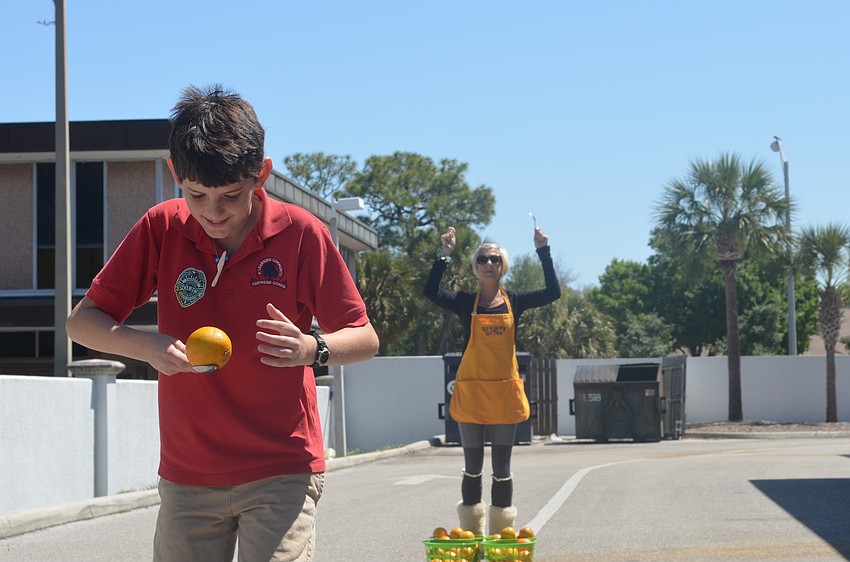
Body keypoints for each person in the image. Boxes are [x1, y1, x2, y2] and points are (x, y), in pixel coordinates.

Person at [66, 84, 379, 562]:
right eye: (197, 195)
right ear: (176, 174)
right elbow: (81, 324)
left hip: (282, 468)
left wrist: (310, 349)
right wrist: (146, 347)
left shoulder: (301, 233)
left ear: (262, 175)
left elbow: (365, 338)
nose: (213, 212)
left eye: (231, 195)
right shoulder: (161, 227)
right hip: (189, 475)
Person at [423, 226, 560, 537]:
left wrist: (543, 250)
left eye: (495, 259)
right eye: (483, 258)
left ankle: (501, 536)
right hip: (472, 392)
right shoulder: (464, 302)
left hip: (503, 393)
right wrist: (444, 254)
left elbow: (553, 292)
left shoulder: (515, 301)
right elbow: (430, 291)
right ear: (476, 266)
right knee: (472, 467)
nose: (489, 263)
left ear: (502, 266)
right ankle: (470, 534)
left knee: (502, 470)